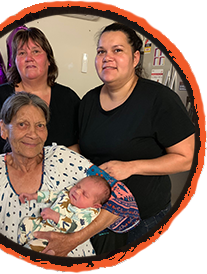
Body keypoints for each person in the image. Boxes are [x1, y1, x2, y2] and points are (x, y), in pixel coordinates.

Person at [68, 22, 195, 253]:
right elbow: (83, 147)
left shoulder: (158, 99)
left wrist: (131, 167)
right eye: (101, 51)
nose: (107, 57)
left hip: (146, 219)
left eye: (117, 50)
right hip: (98, 215)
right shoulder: (88, 101)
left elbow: (186, 158)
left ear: (136, 58)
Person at [0, 92, 140, 257]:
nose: (33, 134)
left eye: (40, 125)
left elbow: (124, 202)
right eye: (22, 124)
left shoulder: (63, 158)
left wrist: (73, 240)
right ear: (4, 129)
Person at [0, 27, 80, 166]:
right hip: (7, 176)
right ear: (15, 62)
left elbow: (82, 143)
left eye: (36, 51)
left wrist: (56, 160)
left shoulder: (68, 98)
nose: (28, 58)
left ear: (49, 60)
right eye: (22, 53)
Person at [17, 176, 111, 255]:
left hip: (54, 236)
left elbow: (74, 226)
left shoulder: (88, 212)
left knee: (36, 247)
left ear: (95, 205)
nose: (77, 191)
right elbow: (52, 195)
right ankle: (20, 244)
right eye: (78, 186)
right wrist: (34, 196)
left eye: (84, 194)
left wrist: (56, 217)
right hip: (41, 224)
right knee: (26, 222)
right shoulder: (68, 194)